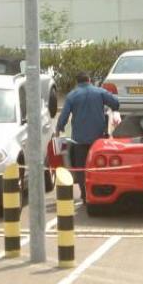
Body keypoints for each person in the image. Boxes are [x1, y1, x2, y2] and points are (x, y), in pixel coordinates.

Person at [55, 72, 120, 202]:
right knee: (98, 166)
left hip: (79, 139)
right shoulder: (100, 92)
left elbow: (64, 116)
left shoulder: (72, 95)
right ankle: (99, 192)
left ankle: (84, 194)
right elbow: (115, 103)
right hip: (98, 140)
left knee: (81, 167)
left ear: (77, 82)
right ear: (89, 80)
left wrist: (59, 128)